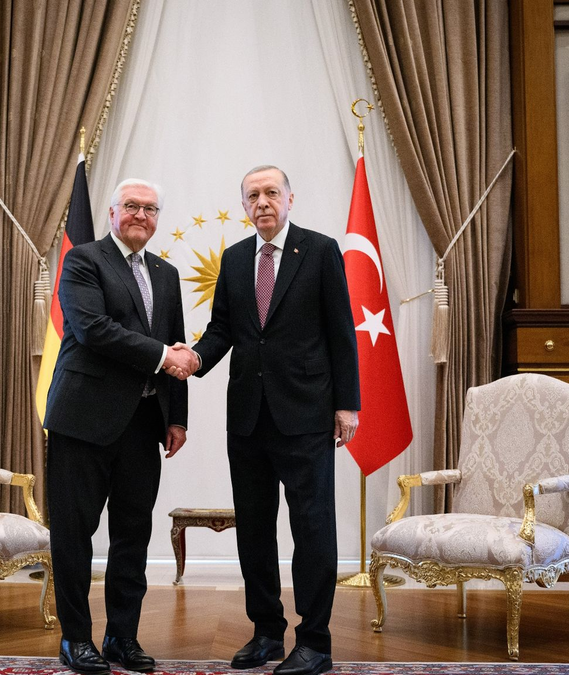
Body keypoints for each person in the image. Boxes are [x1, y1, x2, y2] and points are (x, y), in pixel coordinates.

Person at [182, 165, 360, 675]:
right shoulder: (235, 259)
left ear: (289, 198)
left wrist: (347, 405)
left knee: (312, 528)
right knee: (255, 531)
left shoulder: (321, 250)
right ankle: (266, 632)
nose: (263, 202)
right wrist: (193, 359)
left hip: (306, 416)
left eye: (271, 193)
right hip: (248, 419)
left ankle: (316, 641)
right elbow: (222, 332)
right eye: (253, 195)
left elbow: (341, 332)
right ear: (244, 206)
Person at [44, 178, 200, 675]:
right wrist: (162, 356)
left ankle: (121, 638)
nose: (141, 215)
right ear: (112, 213)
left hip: (143, 425)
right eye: (131, 206)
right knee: (74, 534)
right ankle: (75, 641)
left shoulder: (167, 273)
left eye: (151, 208)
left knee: (132, 536)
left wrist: (176, 416)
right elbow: (92, 329)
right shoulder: (83, 259)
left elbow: (175, 344)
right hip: (83, 420)